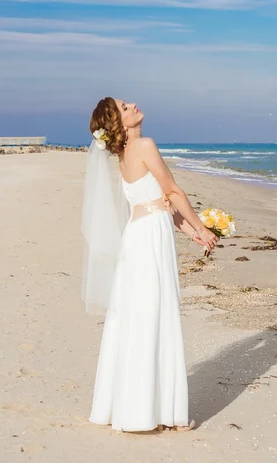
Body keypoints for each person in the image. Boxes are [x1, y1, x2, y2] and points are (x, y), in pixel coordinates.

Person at [81, 97, 218, 434]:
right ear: (119, 122)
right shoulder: (144, 145)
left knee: (139, 315)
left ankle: (134, 408)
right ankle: (159, 412)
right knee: (155, 313)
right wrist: (202, 227)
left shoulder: (124, 156)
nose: (133, 104)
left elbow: (154, 205)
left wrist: (191, 233)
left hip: (139, 235)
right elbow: (173, 191)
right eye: (125, 106)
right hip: (149, 241)